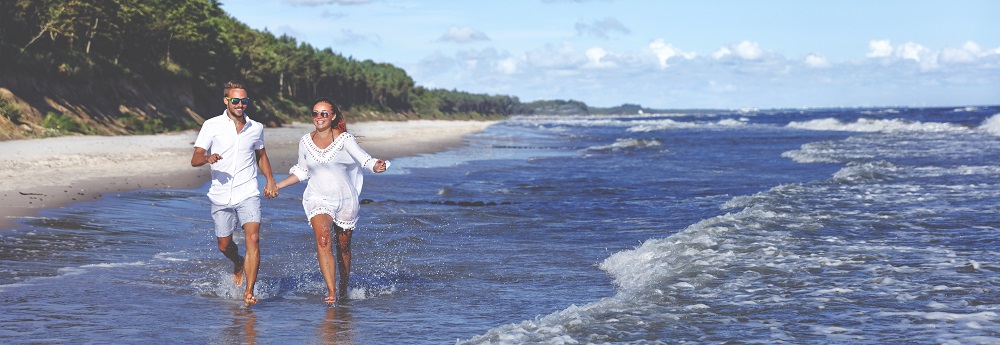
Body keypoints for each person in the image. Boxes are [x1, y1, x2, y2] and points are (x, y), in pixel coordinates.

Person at [275, 97, 388, 305]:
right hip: (317, 197)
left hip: (345, 199)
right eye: (316, 113)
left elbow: (365, 159)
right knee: (324, 239)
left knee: (343, 247)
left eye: (324, 113)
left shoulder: (345, 139)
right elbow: (301, 171)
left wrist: (376, 166)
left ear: (333, 116)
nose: (319, 117)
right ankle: (332, 291)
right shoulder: (305, 141)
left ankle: (343, 286)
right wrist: (277, 185)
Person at [191, 80, 278, 307]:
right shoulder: (211, 125)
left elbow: (261, 155)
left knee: (253, 238)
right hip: (220, 194)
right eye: (235, 100)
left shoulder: (256, 127)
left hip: (247, 190)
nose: (240, 104)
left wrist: (269, 180)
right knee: (223, 245)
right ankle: (238, 262)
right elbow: (195, 158)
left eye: (244, 101)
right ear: (226, 101)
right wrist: (208, 158)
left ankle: (249, 291)